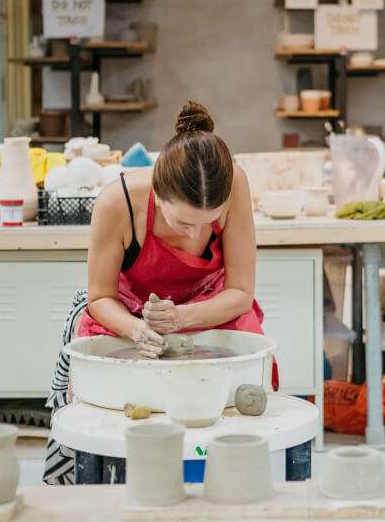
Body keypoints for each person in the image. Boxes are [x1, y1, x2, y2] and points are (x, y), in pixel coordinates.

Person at [79, 100, 271, 360]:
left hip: (211, 308)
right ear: (158, 193)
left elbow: (240, 294)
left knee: (246, 377)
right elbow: (100, 298)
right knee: (103, 386)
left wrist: (181, 318)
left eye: (207, 224)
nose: (195, 234)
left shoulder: (234, 183)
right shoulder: (117, 202)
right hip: (132, 313)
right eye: (184, 223)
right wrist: (138, 330)